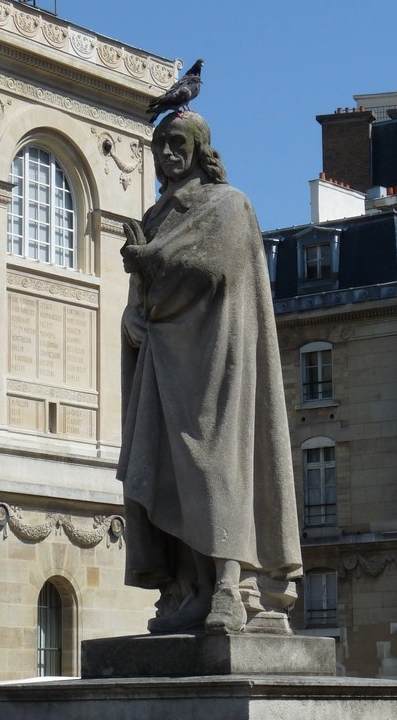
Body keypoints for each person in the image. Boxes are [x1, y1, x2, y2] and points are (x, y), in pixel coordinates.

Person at [117, 111, 302, 635]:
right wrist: (132, 315)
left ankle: (229, 584)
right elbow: (143, 299)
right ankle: (191, 589)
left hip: (215, 355)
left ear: (200, 148)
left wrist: (147, 260)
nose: (167, 154)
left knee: (215, 464)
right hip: (162, 357)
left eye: (177, 143)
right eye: (159, 146)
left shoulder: (228, 205)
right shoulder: (155, 219)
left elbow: (214, 269)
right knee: (171, 472)